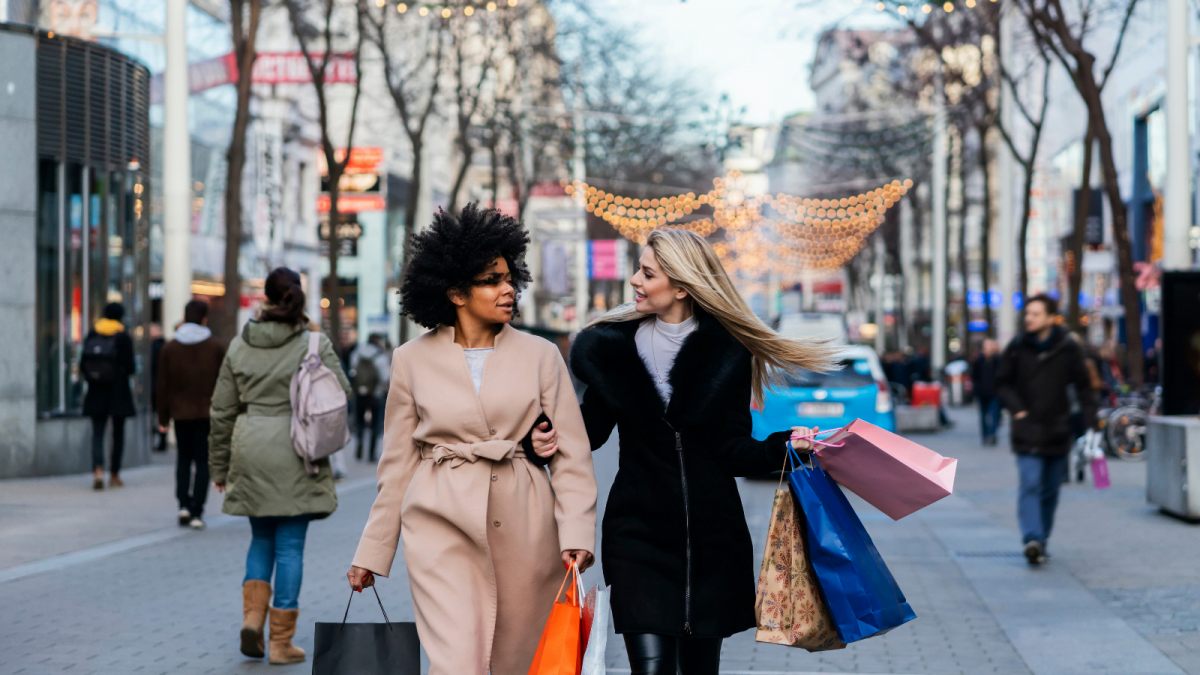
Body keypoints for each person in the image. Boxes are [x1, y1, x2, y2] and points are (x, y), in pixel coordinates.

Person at [532, 229, 831, 675]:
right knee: (649, 670)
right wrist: (539, 436)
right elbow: (588, 431)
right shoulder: (613, 349)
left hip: (713, 543)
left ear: (681, 287)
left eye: (647, 273)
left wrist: (787, 446)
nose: (634, 279)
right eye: (638, 268)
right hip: (637, 536)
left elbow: (732, 450)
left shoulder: (727, 352)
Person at [346, 205, 598, 675]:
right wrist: (372, 552)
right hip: (439, 523)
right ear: (456, 292)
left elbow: (571, 457)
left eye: (509, 277)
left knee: (515, 661)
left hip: (526, 527)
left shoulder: (541, 355)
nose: (508, 290)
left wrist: (578, 532)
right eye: (491, 280)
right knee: (457, 662)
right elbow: (397, 465)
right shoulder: (410, 360)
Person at [209, 267, 350, 665]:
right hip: (298, 448)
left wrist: (219, 468)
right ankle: (281, 642)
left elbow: (221, 411)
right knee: (289, 547)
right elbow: (343, 391)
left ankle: (252, 620)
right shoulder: (313, 343)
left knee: (261, 539)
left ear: (265, 299)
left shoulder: (240, 345)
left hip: (250, 446)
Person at [997, 294, 1096, 565]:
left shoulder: (1068, 348)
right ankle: (1032, 538)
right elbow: (1002, 383)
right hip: (1027, 430)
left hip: (1058, 430)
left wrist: (1088, 424)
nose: (1029, 318)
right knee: (1030, 483)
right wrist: (1017, 409)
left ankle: (1042, 540)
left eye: (1036, 314)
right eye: (1028, 313)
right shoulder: (1017, 347)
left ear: (1051, 318)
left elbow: (1084, 388)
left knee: (1050, 490)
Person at [156, 299, 226, 530]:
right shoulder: (216, 347)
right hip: (208, 413)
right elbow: (225, 383)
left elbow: (162, 385)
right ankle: (197, 510)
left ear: (184, 317)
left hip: (180, 413)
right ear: (205, 319)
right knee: (203, 462)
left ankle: (183, 505)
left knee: (183, 459)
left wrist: (163, 418)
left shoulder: (170, 348)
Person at [81, 302, 136, 490]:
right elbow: (131, 367)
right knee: (118, 433)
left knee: (97, 432)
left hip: (96, 389)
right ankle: (114, 474)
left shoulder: (93, 333)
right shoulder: (122, 336)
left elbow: (83, 364)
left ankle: (97, 470)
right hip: (118, 390)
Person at [348, 333, 391, 462]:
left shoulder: (357, 353)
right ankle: (371, 453)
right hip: (375, 394)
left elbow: (352, 370)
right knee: (374, 424)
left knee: (360, 421)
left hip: (359, 393)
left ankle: (359, 445)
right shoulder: (380, 356)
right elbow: (385, 376)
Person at [971, 339, 1003, 446]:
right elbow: (974, 377)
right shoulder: (978, 361)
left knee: (993, 415)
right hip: (982, 393)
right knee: (983, 416)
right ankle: (985, 435)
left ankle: (992, 435)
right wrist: (976, 390)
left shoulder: (997, 360)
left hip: (994, 393)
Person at [149, 322, 167, 452]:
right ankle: (162, 440)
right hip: (160, 385)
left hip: (157, 385)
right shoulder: (164, 345)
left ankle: (161, 440)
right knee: (161, 415)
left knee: (159, 415)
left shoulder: (157, 346)